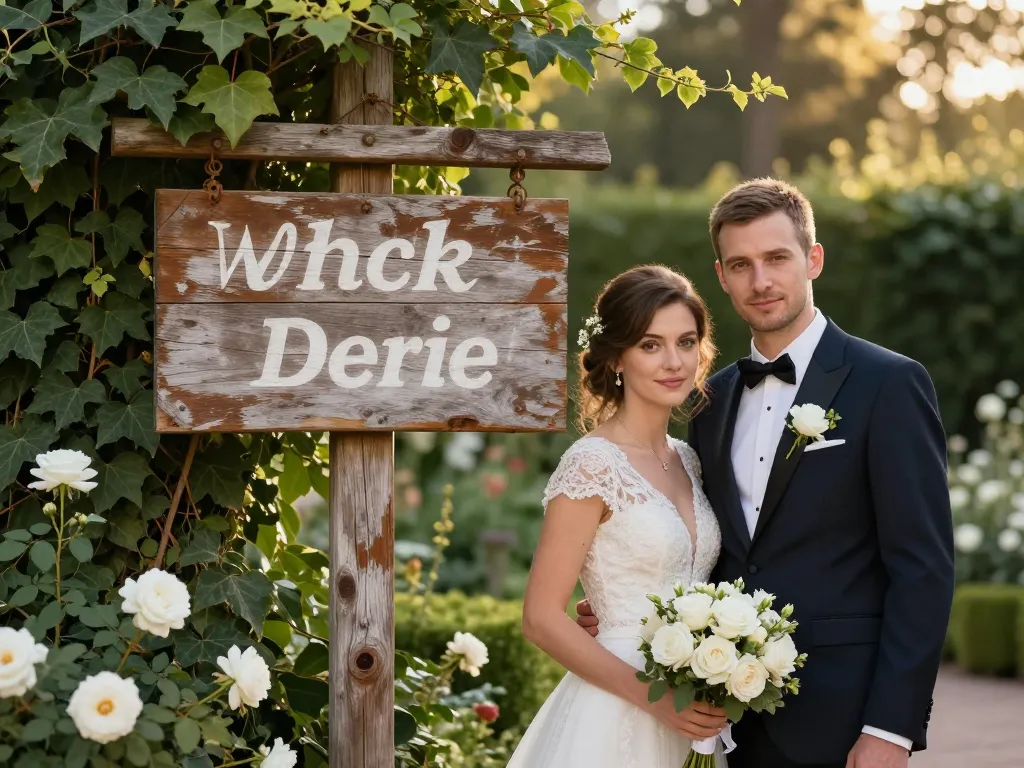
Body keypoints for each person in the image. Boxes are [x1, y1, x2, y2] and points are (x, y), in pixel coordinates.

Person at [576, 178, 955, 768]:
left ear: (813, 259)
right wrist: (634, 614)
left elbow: (923, 569)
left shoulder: (890, 385)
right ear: (721, 276)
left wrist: (892, 728)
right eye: (741, 264)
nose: (762, 281)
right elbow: (712, 547)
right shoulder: (708, 402)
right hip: (724, 719)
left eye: (777, 258)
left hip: (846, 719)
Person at [506, 265, 729, 767]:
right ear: (618, 358)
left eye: (686, 342)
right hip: (616, 710)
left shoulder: (689, 460)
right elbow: (541, 618)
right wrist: (658, 698)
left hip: (693, 711)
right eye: (651, 345)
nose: (674, 361)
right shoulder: (593, 464)